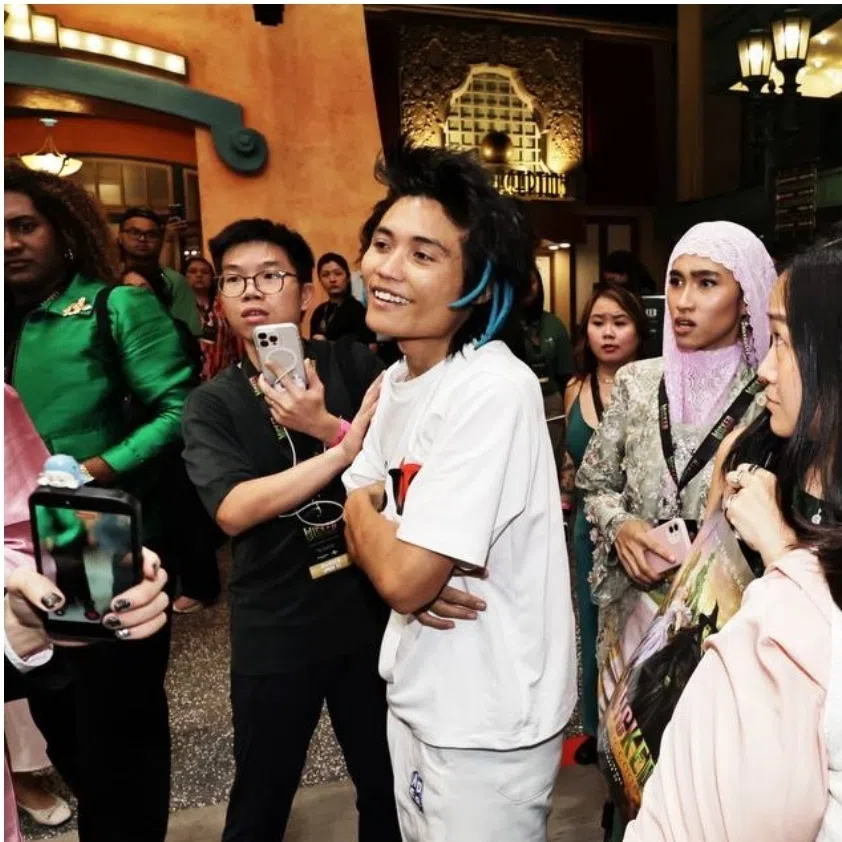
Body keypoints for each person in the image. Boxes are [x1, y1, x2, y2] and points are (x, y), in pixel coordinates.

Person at [342, 139, 576, 842]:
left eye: (423, 253)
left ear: (478, 283)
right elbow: (357, 501)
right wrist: (380, 536)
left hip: (488, 714)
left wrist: (391, 546)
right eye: (382, 243)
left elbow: (405, 574)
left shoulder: (490, 388)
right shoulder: (398, 379)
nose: (386, 268)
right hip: (422, 686)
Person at [182, 218, 399, 842]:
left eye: (271, 276)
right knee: (261, 795)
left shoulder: (354, 363)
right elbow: (233, 507)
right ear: (220, 300)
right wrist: (338, 451)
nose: (252, 291)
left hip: (367, 609)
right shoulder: (213, 403)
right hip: (275, 620)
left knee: (385, 786)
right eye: (234, 280)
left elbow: (403, 467)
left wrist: (324, 423)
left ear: (305, 293)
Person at [625, 240, 842, 841]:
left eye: (783, 343)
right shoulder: (750, 452)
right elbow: (696, 602)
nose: (766, 369)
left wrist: (779, 550)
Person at [4, 163, 195, 842]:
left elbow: (179, 409)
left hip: (100, 541)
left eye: (23, 225)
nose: (8, 243)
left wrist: (89, 469)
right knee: (58, 723)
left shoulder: (114, 305)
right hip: (12, 564)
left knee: (120, 732)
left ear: (64, 229)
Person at [576, 221, 775, 841]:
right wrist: (623, 524)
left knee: (705, 786)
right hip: (635, 617)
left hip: (726, 627)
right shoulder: (638, 383)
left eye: (707, 283)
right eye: (677, 281)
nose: (684, 300)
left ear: (747, 296)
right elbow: (592, 483)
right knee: (632, 770)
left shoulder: (771, 396)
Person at [562, 285, 647, 765]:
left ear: (639, 328)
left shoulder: (657, 385)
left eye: (620, 322)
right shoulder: (576, 387)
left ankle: (633, 724)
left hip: (638, 528)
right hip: (586, 530)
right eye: (598, 323)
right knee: (592, 626)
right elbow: (569, 466)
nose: (609, 333)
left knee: (635, 628)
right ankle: (596, 728)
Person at [117, 205, 202, 337]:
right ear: (120, 236)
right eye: (135, 233)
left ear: (160, 240)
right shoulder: (107, 277)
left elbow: (189, 336)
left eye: (151, 235)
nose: (142, 239)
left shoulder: (174, 281)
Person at [521, 265, 574, 476]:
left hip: (551, 402)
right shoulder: (503, 326)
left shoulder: (553, 325)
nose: (527, 289)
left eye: (531, 282)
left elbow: (567, 375)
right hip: (518, 402)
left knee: (550, 463)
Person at [183, 255, 240, 380]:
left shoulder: (224, 306)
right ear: (184, 277)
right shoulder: (179, 307)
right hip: (190, 378)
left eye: (205, 272)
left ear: (212, 278)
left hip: (224, 377)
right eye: (193, 271)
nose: (199, 275)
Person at [310, 251, 376, 346]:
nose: (332, 279)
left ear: (348, 277)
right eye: (325, 275)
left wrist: (329, 344)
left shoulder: (358, 310)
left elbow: (370, 348)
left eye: (338, 273)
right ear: (320, 280)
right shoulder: (318, 312)